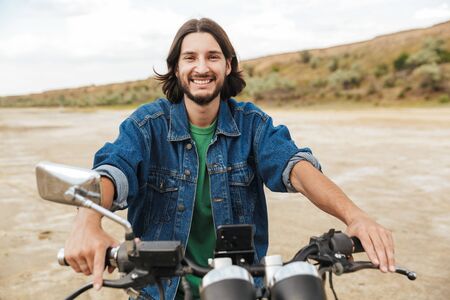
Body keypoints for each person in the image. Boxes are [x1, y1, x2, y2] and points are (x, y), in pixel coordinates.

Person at [64, 18, 395, 299]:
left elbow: (296, 167)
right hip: (160, 290)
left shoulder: (252, 124)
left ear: (229, 65)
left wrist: (355, 216)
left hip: (241, 286)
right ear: (176, 68)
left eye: (213, 56)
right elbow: (112, 170)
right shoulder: (147, 125)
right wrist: (87, 223)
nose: (202, 67)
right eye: (190, 57)